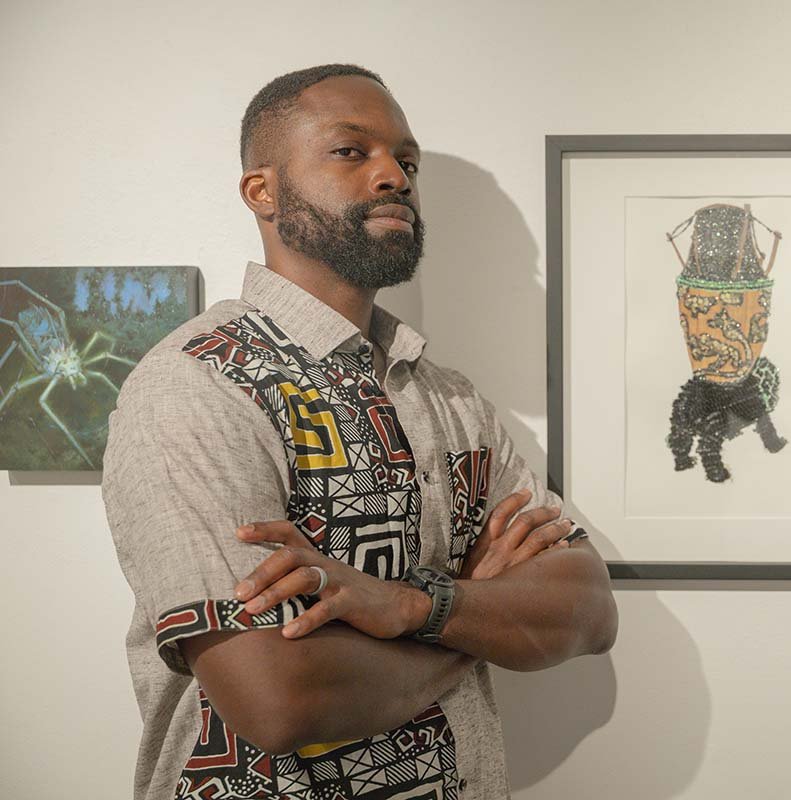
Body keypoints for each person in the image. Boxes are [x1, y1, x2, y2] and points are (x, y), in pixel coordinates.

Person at [101, 63, 618, 800]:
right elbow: (279, 702)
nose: (395, 177)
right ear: (263, 191)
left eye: (406, 161)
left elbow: (589, 610)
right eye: (352, 151)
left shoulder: (449, 395)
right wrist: (475, 610)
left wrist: (416, 605)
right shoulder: (197, 385)